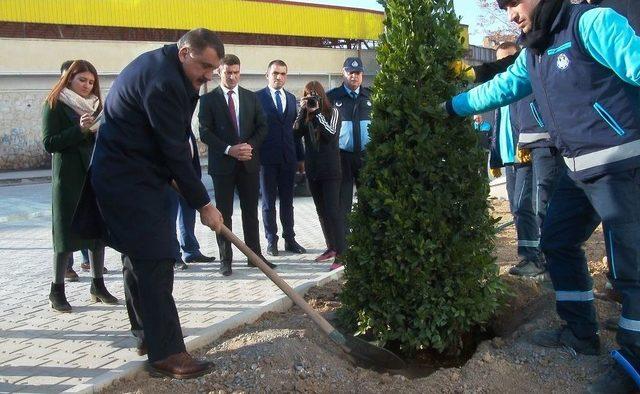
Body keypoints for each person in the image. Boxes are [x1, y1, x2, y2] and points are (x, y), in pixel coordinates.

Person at [444, 0, 640, 390]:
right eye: (504, 6)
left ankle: (634, 361)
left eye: (515, 2)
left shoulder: (591, 23)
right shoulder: (533, 49)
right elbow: (501, 88)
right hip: (577, 168)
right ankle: (580, 333)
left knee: (631, 267)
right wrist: (450, 107)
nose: (510, 12)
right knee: (556, 241)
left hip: (622, 165)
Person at [84, 28, 225, 379]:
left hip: (134, 174)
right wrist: (204, 204)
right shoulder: (162, 81)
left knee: (139, 259)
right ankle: (168, 353)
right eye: (205, 66)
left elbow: (178, 138)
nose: (209, 76)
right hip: (127, 179)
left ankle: (147, 336)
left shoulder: (170, 71)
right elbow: (173, 149)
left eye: (214, 69)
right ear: (184, 53)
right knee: (158, 259)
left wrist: (190, 185)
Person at [42, 60, 117, 312]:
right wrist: (79, 129)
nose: (87, 86)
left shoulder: (97, 107)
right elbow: (49, 142)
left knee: (97, 233)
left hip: (94, 175)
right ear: (69, 80)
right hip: (69, 179)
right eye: (82, 80)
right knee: (64, 235)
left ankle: (98, 285)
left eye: (91, 82)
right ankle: (57, 290)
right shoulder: (55, 104)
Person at [199, 54, 274, 276]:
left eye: (236, 72)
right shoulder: (208, 100)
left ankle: (255, 257)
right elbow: (204, 131)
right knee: (223, 215)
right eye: (228, 72)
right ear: (219, 72)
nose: (232, 76)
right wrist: (228, 149)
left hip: (248, 163)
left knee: (250, 212)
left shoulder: (251, 98)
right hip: (223, 166)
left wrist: (248, 146)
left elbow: (262, 127)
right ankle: (226, 260)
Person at [256, 60, 307, 257]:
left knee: (288, 202)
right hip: (266, 160)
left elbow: (295, 133)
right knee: (269, 202)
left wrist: (300, 158)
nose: (279, 77)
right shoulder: (257, 98)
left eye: (283, 74)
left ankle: (290, 239)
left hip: (288, 159)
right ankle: (271, 241)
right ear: (267, 75)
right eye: (275, 73)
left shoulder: (291, 98)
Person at [293, 81, 344, 270]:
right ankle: (331, 247)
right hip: (313, 170)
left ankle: (342, 253)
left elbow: (331, 134)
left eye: (315, 95)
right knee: (321, 212)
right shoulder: (306, 115)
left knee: (333, 212)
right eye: (308, 95)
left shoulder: (333, 113)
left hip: (331, 170)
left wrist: (318, 114)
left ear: (322, 95)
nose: (312, 98)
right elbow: (294, 134)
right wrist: (302, 111)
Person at [326, 57, 372, 241]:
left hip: (366, 156)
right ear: (343, 73)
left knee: (367, 199)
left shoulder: (371, 96)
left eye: (358, 73)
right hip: (342, 157)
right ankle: (344, 242)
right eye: (350, 72)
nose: (354, 76)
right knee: (343, 202)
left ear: (362, 75)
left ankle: (365, 238)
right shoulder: (332, 97)